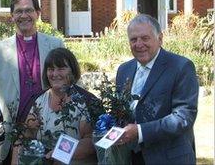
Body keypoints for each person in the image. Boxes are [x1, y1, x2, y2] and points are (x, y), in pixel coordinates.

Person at [0, 0, 64, 162]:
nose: (24, 15)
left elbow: (68, 82)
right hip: (12, 131)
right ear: (12, 16)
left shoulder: (55, 44)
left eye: (29, 10)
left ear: (38, 13)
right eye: (19, 11)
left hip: (48, 128)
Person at [115, 14, 199, 164]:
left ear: (160, 38)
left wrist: (140, 131)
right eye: (133, 39)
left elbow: (183, 117)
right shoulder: (124, 70)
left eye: (145, 38)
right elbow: (121, 110)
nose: (139, 44)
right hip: (130, 157)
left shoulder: (181, 67)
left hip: (168, 158)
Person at [13, 48, 97, 164]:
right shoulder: (37, 101)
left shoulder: (86, 101)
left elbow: (91, 141)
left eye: (61, 69)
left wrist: (60, 153)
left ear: (72, 71)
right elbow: (22, 138)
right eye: (51, 69)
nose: (55, 74)